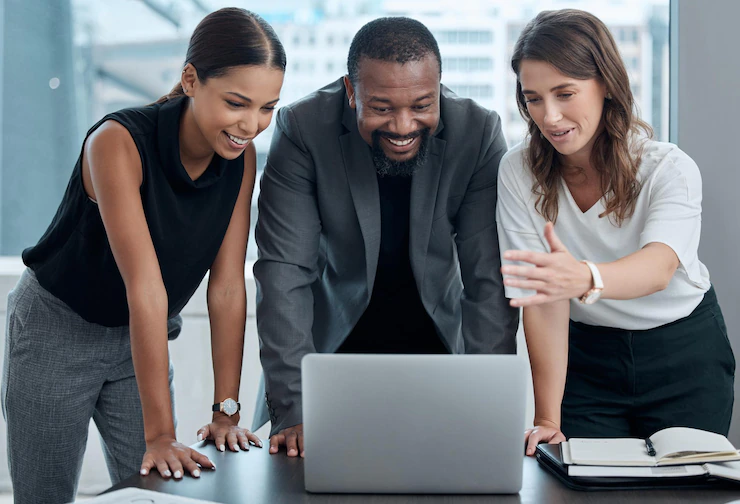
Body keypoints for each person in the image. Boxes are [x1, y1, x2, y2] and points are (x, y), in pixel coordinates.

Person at [0, 8, 285, 503]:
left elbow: (226, 287)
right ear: (191, 80)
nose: (251, 125)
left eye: (267, 108)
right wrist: (159, 434)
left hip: (138, 344)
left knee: (163, 490)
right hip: (56, 334)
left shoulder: (241, 160)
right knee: (44, 497)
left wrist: (226, 412)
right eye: (237, 103)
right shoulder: (117, 142)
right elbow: (145, 287)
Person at [252, 16, 519, 458]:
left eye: (421, 105)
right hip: (329, 362)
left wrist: (488, 405)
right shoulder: (302, 129)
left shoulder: (478, 132)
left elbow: (487, 281)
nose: (402, 126)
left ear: (438, 87)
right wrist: (294, 406)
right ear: (351, 91)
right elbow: (284, 273)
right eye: (381, 108)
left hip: (438, 357)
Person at [496, 9, 735, 456]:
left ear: (605, 85)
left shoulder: (669, 168)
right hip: (588, 358)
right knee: (585, 484)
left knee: (685, 488)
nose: (549, 116)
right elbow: (545, 300)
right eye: (533, 98)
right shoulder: (518, 171)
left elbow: (659, 267)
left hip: (682, 351)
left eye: (565, 93)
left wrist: (583, 277)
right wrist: (547, 418)